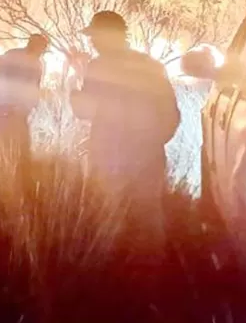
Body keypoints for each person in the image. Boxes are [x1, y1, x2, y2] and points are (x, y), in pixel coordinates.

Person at [72, 11, 180, 206]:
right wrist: (154, 142)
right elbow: (171, 112)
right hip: (148, 156)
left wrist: (74, 88)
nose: (92, 42)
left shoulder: (99, 67)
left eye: (95, 36)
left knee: (109, 219)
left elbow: (84, 111)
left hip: (110, 158)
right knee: (148, 218)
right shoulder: (151, 65)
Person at [0, 34, 49, 164]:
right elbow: (35, 86)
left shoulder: (13, 55)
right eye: (41, 49)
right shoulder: (34, 63)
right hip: (8, 106)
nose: (41, 52)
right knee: (17, 146)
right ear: (33, 46)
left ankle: (7, 170)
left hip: (4, 105)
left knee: (6, 144)